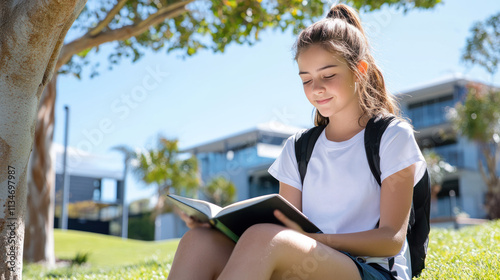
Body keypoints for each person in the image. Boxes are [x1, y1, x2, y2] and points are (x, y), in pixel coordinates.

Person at [167, 3, 427, 280]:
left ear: (359, 70)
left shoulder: (392, 135)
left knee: (267, 239)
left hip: (372, 270)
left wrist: (314, 241)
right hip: (307, 264)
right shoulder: (297, 148)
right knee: (199, 242)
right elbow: (285, 225)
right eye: (306, 80)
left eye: (328, 75)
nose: (316, 89)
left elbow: (391, 239)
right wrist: (217, 226)